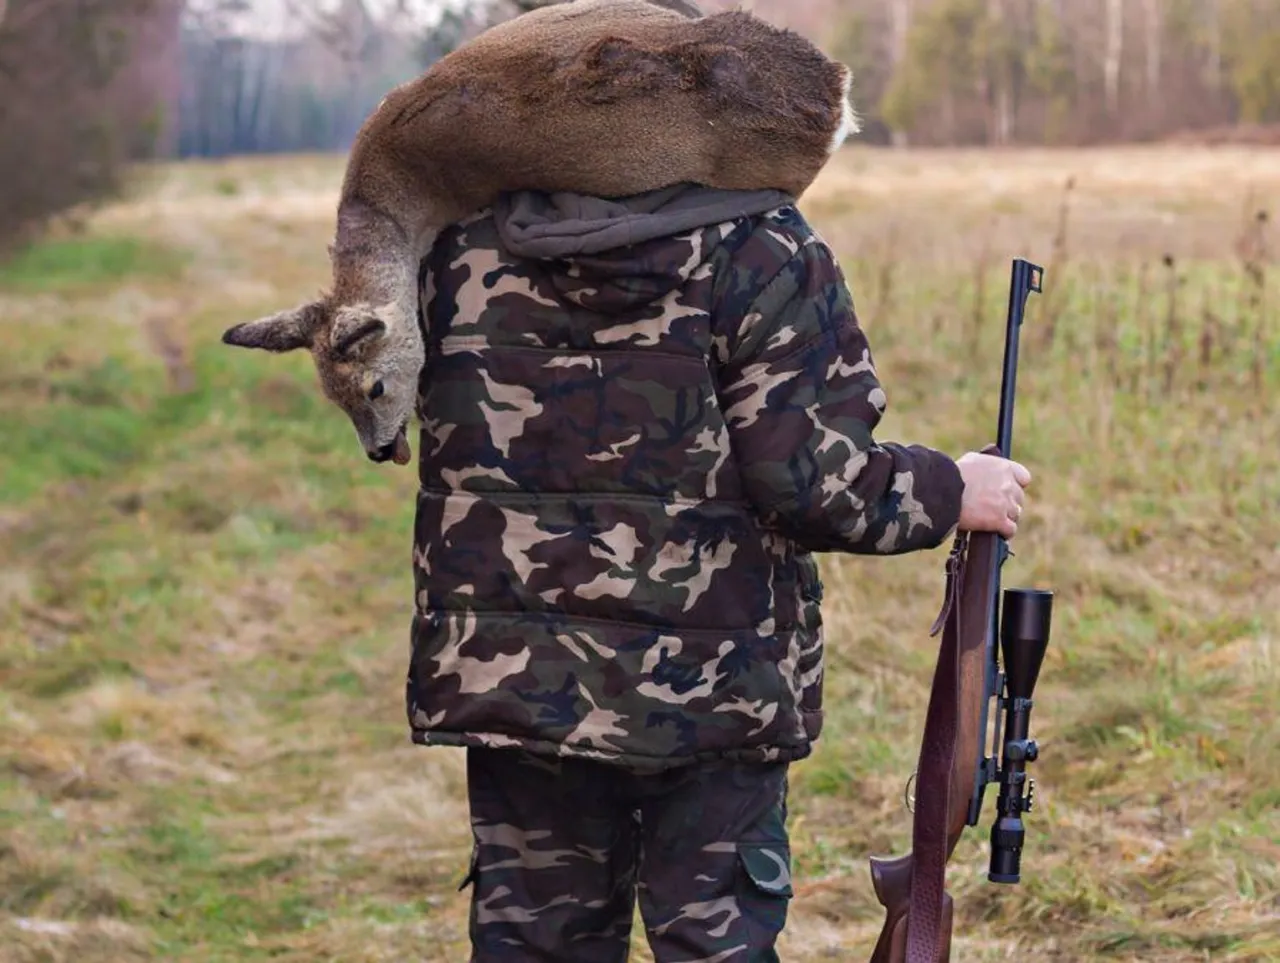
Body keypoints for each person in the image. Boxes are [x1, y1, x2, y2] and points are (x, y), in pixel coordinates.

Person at [409, 183, 1031, 962]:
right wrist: (950, 488)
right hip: (712, 695)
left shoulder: (462, 246)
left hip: (523, 689)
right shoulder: (761, 249)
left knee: (535, 945)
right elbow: (813, 484)